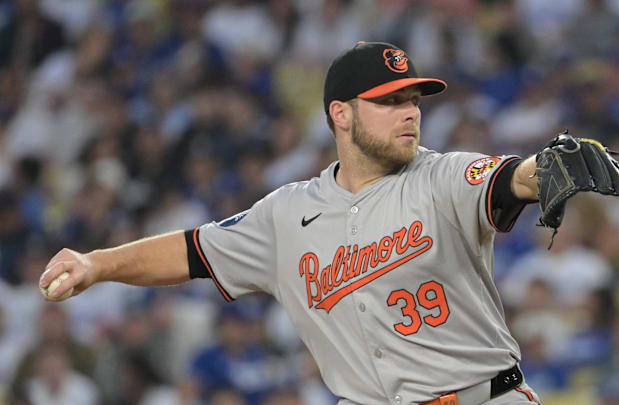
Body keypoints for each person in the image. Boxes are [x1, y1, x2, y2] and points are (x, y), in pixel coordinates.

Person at [43, 41, 585, 405]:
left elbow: (514, 177)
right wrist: (98, 263)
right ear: (340, 114)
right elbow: (192, 252)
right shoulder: (285, 213)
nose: (410, 112)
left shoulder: (443, 175)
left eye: (413, 99)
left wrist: (552, 167)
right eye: (389, 100)